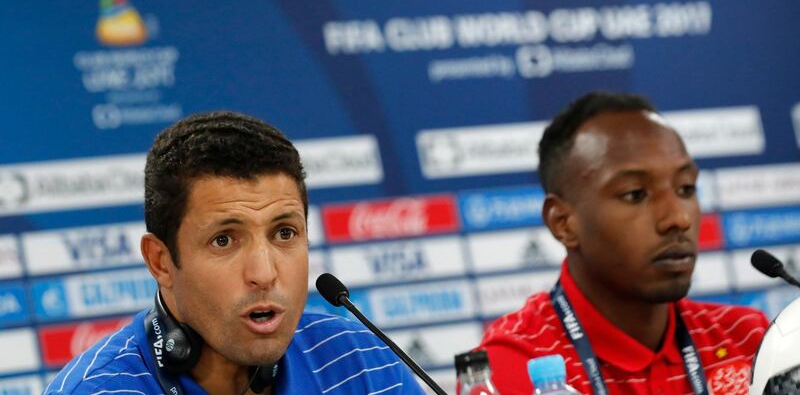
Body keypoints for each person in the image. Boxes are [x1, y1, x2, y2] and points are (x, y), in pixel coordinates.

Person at [45, 111, 424, 395]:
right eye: (224, 240)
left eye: (284, 232)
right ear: (161, 261)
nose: (264, 272)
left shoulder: (361, 363)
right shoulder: (100, 390)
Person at [479, 92, 769, 395]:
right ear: (563, 223)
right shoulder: (513, 368)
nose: (678, 218)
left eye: (685, 188)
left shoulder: (749, 340)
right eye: (635, 194)